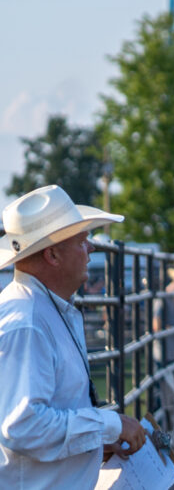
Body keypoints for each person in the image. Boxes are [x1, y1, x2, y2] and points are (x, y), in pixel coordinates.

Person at [0, 185, 147, 488]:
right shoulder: (27, 322)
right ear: (52, 254)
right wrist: (110, 425)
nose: (91, 248)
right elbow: (23, 425)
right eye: (82, 240)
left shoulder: (39, 310)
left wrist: (90, 444)